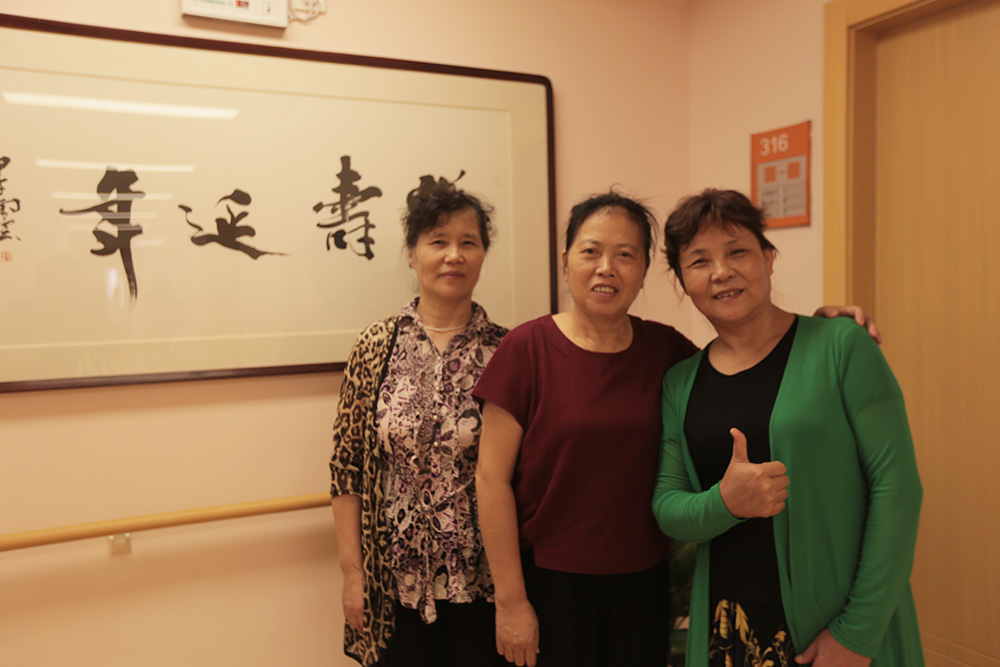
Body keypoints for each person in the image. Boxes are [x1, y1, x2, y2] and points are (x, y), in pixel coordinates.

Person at [473, 191, 877, 667]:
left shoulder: (667, 352)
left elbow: (748, 372)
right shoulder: (527, 348)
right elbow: (491, 477)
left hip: (643, 581)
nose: (606, 268)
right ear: (565, 262)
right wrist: (510, 601)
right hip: (549, 583)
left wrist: (820, 330)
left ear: (645, 270)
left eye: (626, 255)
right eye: (591, 251)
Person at [652, 188, 923, 667]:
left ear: (768, 258)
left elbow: (897, 489)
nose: (721, 272)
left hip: (836, 622)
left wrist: (858, 634)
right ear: (682, 280)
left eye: (737, 251)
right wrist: (725, 502)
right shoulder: (680, 382)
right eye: (699, 261)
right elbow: (668, 506)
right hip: (729, 629)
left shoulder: (842, 345)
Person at [329, 177, 508, 667]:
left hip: (484, 583)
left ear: (483, 254)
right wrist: (353, 574)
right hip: (393, 583)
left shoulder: (508, 351)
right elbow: (346, 467)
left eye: (468, 242)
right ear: (412, 254)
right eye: (438, 241)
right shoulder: (375, 346)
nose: (453, 255)